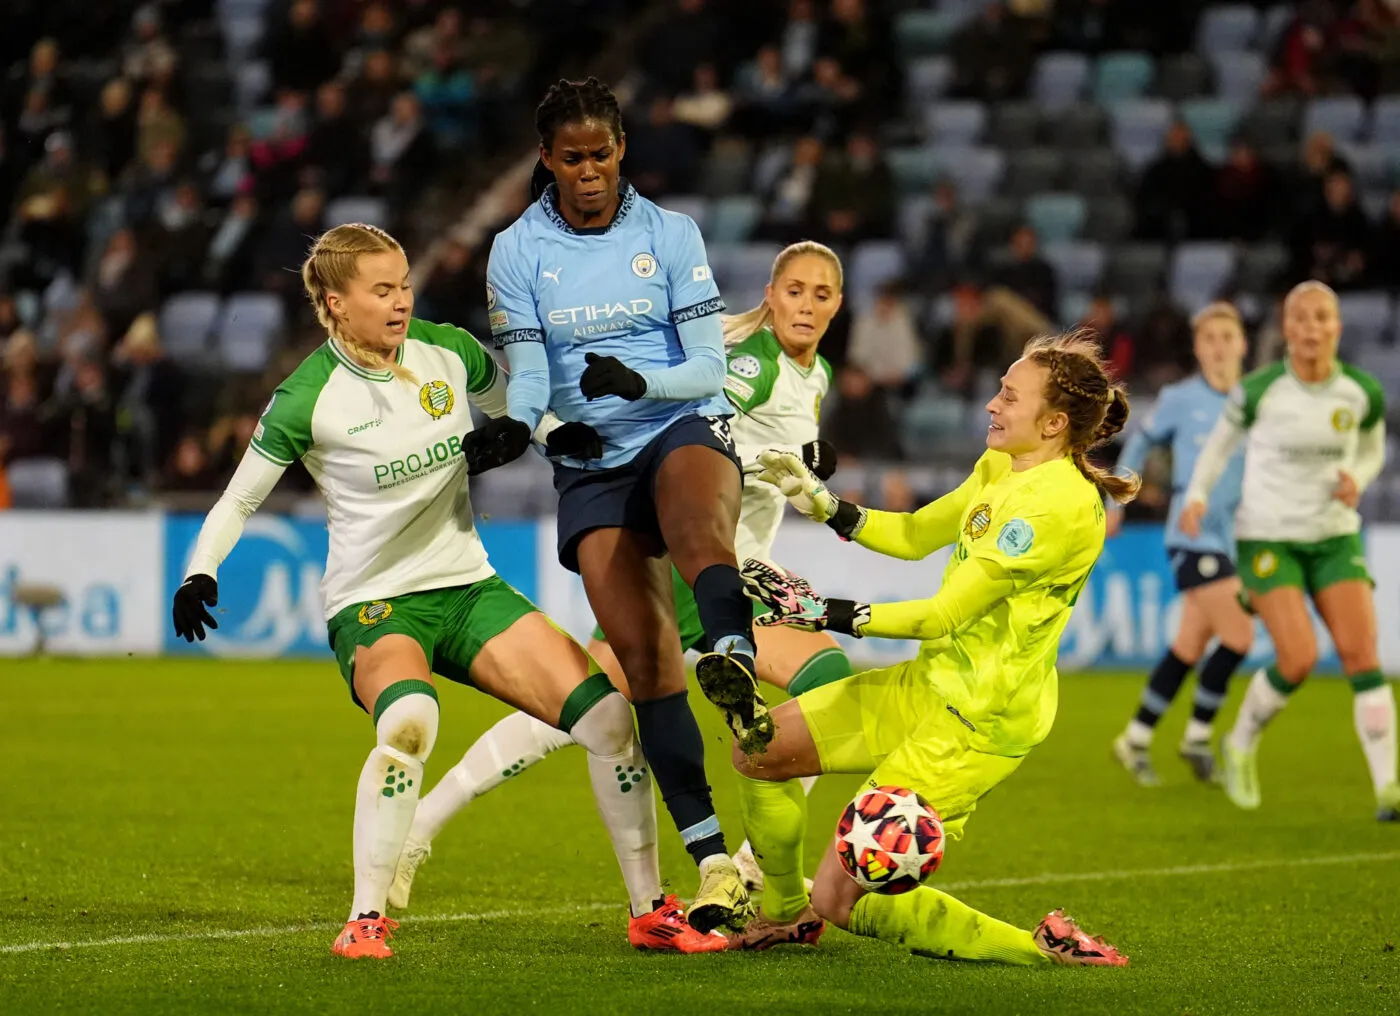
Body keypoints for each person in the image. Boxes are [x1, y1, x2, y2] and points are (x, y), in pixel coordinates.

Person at [169, 223, 724, 960]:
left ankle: (651, 908)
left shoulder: (448, 352)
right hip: (376, 603)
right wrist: (198, 569)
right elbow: (239, 502)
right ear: (335, 303)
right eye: (382, 290)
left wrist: (552, 436)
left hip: (467, 588)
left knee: (609, 722)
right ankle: (365, 920)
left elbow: (518, 409)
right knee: (410, 722)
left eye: (404, 284)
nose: (401, 301)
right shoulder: (309, 397)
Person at [390, 242, 856, 904]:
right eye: (795, 290)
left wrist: (808, 485)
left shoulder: (817, 373)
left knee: (580, 704)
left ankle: (418, 827)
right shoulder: (753, 363)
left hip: (722, 565)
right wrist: (791, 458)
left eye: (820, 294)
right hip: (704, 564)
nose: (806, 305)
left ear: (838, 303)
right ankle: (753, 868)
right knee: (825, 682)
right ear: (771, 294)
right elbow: (700, 434)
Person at [699, 330, 1135, 965]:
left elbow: (943, 614)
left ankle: (1043, 949)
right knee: (756, 751)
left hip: (976, 724)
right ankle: (782, 914)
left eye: (1009, 396)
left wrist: (824, 613)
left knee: (840, 901)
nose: (992, 404)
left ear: (1053, 423)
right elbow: (913, 533)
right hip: (926, 687)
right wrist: (822, 504)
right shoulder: (1002, 465)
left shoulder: (1056, 508)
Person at [466, 77, 764, 932]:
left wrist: (642, 379)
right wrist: (515, 431)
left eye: (601, 155)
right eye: (572, 159)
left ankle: (735, 656)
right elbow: (528, 376)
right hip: (592, 462)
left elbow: (709, 365)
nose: (589, 172)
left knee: (698, 521)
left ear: (622, 148)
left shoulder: (669, 234)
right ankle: (711, 864)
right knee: (643, 663)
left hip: (679, 421)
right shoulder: (516, 251)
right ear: (547, 160)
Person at [1181, 281, 1398, 820]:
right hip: (1268, 536)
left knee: (1362, 657)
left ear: (1337, 327)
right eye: (1299, 318)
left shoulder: (1361, 393)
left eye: (1321, 318)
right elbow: (1218, 447)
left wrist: (1359, 477)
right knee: (1298, 659)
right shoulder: (1260, 390)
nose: (1311, 328)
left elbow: (1372, 451)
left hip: (1333, 534)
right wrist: (1198, 495)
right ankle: (1241, 743)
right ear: (1286, 328)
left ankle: (1388, 790)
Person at [1110, 302, 1254, 786]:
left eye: (1226, 337)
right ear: (1197, 347)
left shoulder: (1255, 400)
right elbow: (1139, 444)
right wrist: (1118, 502)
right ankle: (1196, 737)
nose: (1218, 346)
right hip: (1191, 537)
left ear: (1243, 345)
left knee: (1189, 646)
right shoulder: (1180, 397)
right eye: (1209, 338)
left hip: (1236, 538)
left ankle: (1134, 739)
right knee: (1238, 636)